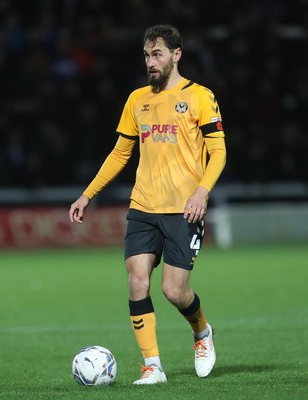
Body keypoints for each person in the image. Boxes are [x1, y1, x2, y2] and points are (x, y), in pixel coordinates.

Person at [69, 24, 226, 385]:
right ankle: (152, 366)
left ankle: (202, 332)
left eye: (157, 54)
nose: (150, 62)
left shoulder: (201, 96)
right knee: (137, 281)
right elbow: (120, 153)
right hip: (143, 207)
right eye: (146, 55)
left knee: (174, 290)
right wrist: (87, 194)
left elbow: (218, 151)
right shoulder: (137, 100)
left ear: (176, 55)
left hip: (184, 208)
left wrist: (202, 191)